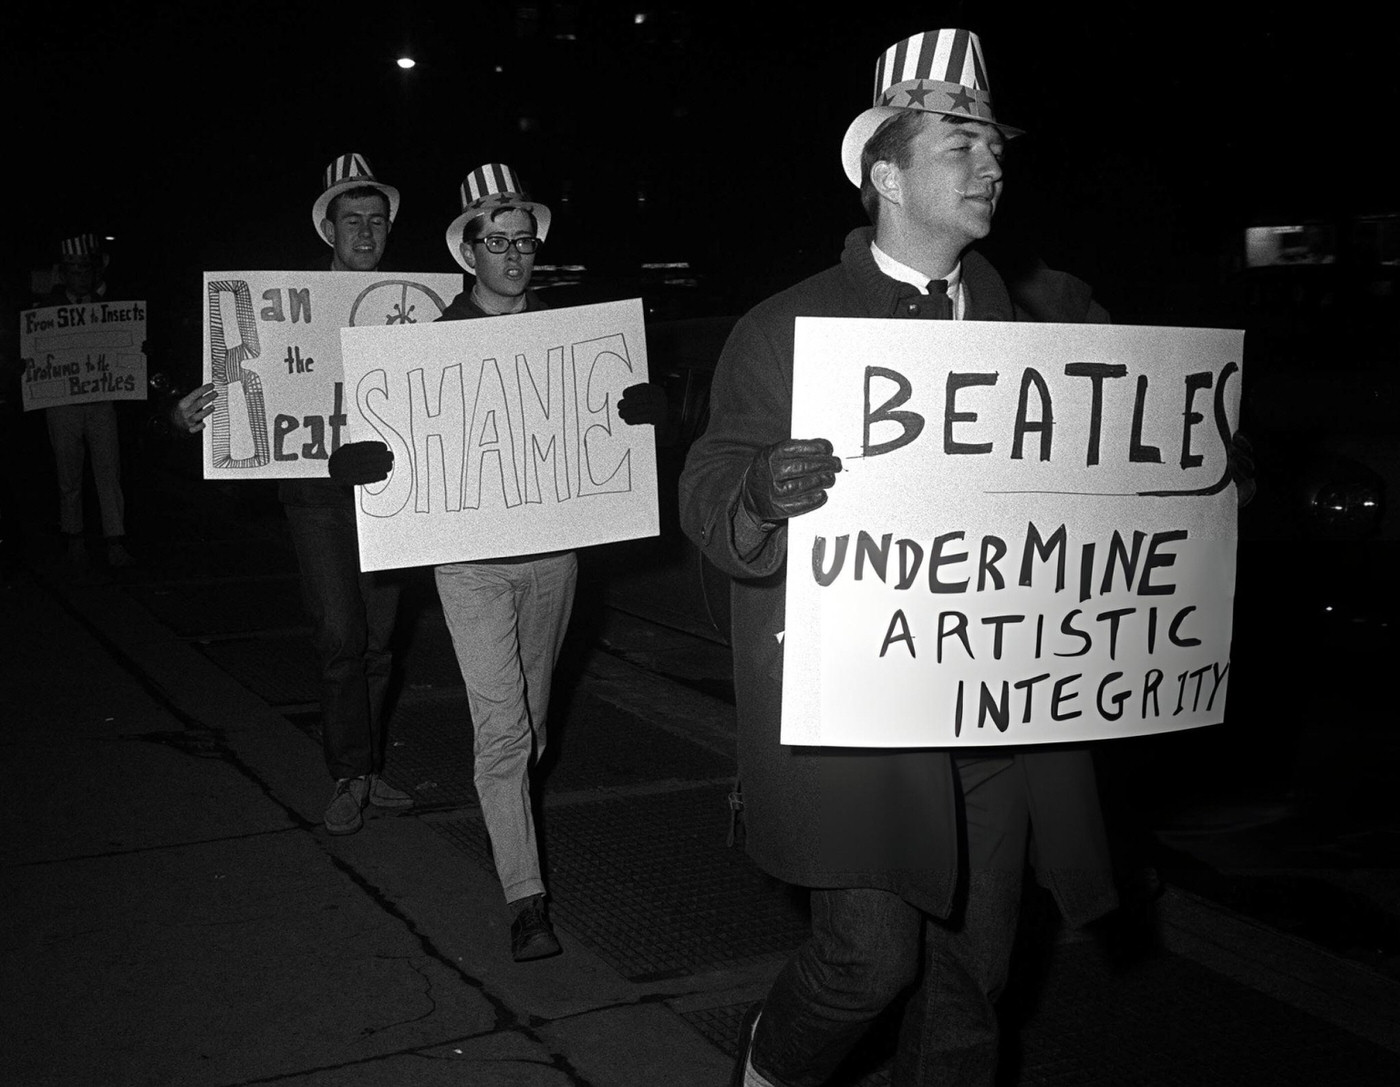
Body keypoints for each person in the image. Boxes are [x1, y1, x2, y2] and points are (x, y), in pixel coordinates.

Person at [679, 30, 1123, 1086]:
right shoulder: (784, 327)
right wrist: (757, 492)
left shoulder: (1033, 320)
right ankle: (767, 1069)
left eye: (995, 145)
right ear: (884, 169)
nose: (991, 164)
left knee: (973, 974)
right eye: (960, 142)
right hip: (852, 709)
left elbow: (1094, 474)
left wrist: (1193, 470)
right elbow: (707, 484)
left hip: (987, 702)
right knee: (865, 962)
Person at [330, 163, 666, 961]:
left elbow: (608, 440)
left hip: (553, 557)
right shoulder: (427, 348)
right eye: (497, 241)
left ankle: (514, 825)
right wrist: (362, 464)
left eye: (523, 241)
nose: (514, 254)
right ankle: (527, 899)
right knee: (502, 732)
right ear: (467, 254)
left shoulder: (572, 345)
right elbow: (396, 446)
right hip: (470, 564)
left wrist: (650, 416)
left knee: (532, 724)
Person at [173, 153, 414, 835]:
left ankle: (367, 769)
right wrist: (189, 412)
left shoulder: (416, 303)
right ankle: (346, 772)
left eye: (376, 221)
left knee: (379, 642)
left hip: (393, 496)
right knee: (340, 634)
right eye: (352, 221)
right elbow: (237, 377)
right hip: (315, 496)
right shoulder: (283, 304)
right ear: (327, 230)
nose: (366, 233)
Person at [39, 234, 135, 569]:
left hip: (102, 400)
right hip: (62, 403)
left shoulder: (112, 307)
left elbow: (129, 346)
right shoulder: (45, 310)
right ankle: (74, 539)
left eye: (84, 268)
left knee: (109, 472)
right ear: (63, 273)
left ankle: (115, 542)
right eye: (73, 269)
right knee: (69, 476)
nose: (79, 274)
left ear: (94, 271)